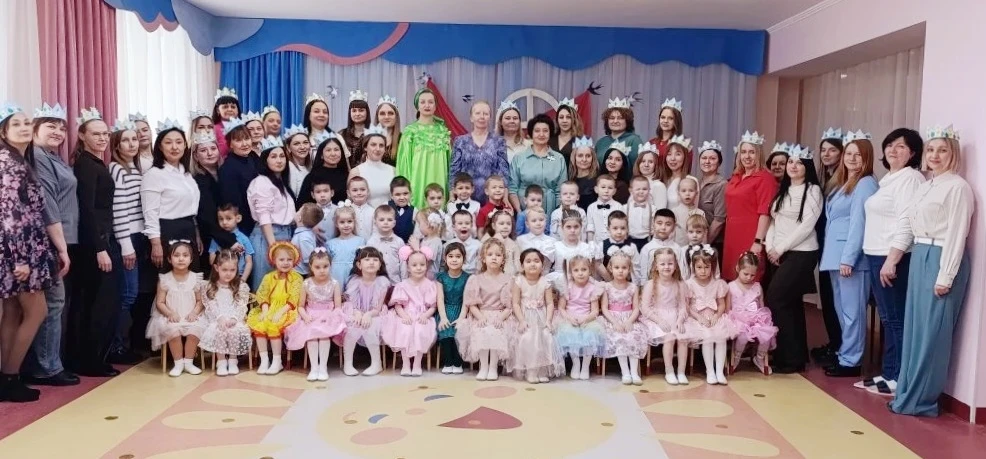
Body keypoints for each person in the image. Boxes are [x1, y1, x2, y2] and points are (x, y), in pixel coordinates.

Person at [886, 126, 973, 417]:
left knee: (932, 333)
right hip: (921, 254)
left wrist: (945, 276)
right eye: (931, 149)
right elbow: (910, 225)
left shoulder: (958, 187)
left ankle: (922, 400)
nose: (935, 155)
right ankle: (907, 393)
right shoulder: (925, 186)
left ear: (953, 153)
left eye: (943, 150)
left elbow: (957, 234)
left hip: (940, 256)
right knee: (915, 329)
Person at [0, 105, 64, 401]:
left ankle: (6, 378)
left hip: (22, 247)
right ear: (4, 132)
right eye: (16, 124)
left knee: (13, 312)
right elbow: (10, 215)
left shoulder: (21, 160)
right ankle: (10, 376)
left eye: (27, 122)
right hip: (20, 249)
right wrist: (22, 259)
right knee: (37, 311)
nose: (24, 127)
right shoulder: (9, 164)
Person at [858, 128, 924, 396]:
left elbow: (907, 222)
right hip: (876, 254)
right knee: (887, 318)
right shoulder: (889, 179)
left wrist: (892, 260)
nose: (893, 150)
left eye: (901, 146)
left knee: (895, 319)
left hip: (891, 256)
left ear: (913, 153)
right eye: (890, 145)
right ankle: (888, 373)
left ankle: (898, 377)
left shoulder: (910, 178)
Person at [25, 104, 78, 387]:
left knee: (55, 303)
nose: (58, 131)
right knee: (53, 302)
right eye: (51, 126)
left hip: (62, 237)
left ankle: (48, 361)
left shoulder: (54, 157)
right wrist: (61, 247)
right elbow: (47, 203)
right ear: (35, 128)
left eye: (61, 127)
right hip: (50, 239)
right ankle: (47, 366)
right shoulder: (37, 155)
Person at [819, 131, 878, 377]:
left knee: (853, 312)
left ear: (867, 158)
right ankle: (845, 354)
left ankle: (852, 360)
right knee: (842, 309)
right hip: (835, 255)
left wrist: (849, 258)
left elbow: (859, 224)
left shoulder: (865, 183)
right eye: (849, 153)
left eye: (858, 155)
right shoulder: (843, 182)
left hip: (850, 258)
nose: (852, 159)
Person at [68, 109, 121, 378]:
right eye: (96, 134)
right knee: (95, 303)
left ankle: (92, 358)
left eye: (105, 134)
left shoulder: (95, 163)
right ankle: (89, 360)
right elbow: (87, 210)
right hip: (93, 243)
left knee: (97, 302)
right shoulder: (86, 165)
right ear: (82, 135)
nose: (102, 138)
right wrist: (100, 248)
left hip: (100, 238)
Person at [764, 145, 822, 374]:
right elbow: (774, 221)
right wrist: (770, 247)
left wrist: (780, 248)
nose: (793, 166)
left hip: (802, 252)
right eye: (791, 162)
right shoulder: (784, 190)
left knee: (776, 298)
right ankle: (794, 357)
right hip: (780, 252)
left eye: (799, 163)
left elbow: (807, 226)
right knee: (791, 303)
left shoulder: (812, 191)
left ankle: (789, 356)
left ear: (807, 167)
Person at [108, 120, 146, 364]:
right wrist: (126, 246)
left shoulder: (135, 168)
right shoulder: (117, 169)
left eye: (134, 139)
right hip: (127, 237)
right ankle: (117, 346)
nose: (131, 144)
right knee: (127, 294)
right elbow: (119, 210)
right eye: (125, 140)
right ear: (116, 145)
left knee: (134, 293)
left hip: (139, 235)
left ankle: (127, 343)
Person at [142, 122, 201, 273]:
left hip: (188, 229)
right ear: (160, 147)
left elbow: (190, 207)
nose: (174, 147)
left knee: (191, 278)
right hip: (167, 231)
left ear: (185, 145)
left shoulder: (186, 173)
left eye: (179, 142)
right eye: (168, 143)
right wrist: (156, 244)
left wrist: (196, 234)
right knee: (169, 279)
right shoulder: (154, 175)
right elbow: (150, 213)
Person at [455, 238, 516, 381]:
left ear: (503, 259)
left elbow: (510, 305)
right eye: (490, 254)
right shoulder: (476, 279)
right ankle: (483, 367)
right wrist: (480, 317)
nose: (494, 257)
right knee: (481, 331)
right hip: (480, 314)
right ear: (483, 258)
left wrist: (501, 318)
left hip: (501, 315)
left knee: (495, 331)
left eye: (498, 255)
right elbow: (471, 304)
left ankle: (493, 367)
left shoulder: (508, 279)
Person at [284, 249, 347, 381]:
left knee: (323, 336)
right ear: (311, 267)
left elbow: (338, 306)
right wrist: (305, 316)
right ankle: (314, 368)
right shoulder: (306, 283)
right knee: (312, 336)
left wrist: (330, 317)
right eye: (317, 267)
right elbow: (300, 306)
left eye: (325, 266)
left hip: (328, 316)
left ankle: (323, 367)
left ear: (330, 265)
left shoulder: (334, 283)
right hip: (311, 315)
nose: (322, 270)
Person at [723, 131, 777, 281]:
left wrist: (758, 241)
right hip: (732, 234)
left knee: (749, 277)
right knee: (732, 277)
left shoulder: (765, 178)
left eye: (752, 152)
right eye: (743, 152)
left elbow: (765, 212)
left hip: (750, 234)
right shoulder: (736, 176)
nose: (747, 156)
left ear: (759, 154)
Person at [811, 128, 845, 364]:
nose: (826, 154)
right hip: (823, 243)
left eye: (832, 150)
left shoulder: (843, 182)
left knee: (836, 298)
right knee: (826, 295)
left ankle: (841, 346)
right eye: (823, 150)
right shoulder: (823, 180)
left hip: (835, 246)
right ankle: (834, 342)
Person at [146, 241, 204, 377]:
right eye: (176, 255)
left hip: (190, 315)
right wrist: (169, 313)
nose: (181, 258)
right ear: (169, 259)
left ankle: (188, 363)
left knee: (195, 331)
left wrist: (194, 312)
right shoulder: (165, 279)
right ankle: (178, 364)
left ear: (191, 259)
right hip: (171, 316)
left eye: (185, 255)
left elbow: (200, 301)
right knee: (173, 332)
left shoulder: (196, 278)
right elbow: (160, 302)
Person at [246, 137, 297, 288]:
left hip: (285, 234)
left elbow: (287, 213)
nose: (279, 160)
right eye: (273, 156)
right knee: (265, 285)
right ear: (265, 160)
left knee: (281, 287)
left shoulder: (281, 182)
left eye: (282, 156)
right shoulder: (262, 182)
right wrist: (273, 247)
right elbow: (264, 216)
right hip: (268, 236)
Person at [682, 245, 736, 386]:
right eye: (699, 267)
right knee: (707, 337)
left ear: (712, 266)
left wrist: (717, 316)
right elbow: (687, 306)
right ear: (693, 267)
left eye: (707, 267)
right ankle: (710, 371)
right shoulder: (689, 284)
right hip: (696, 318)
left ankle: (719, 371)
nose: (703, 271)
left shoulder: (718, 284)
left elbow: (721, 304)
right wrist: (699, 318)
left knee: (721, 337)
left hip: (713, 316)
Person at [381, 246, 439, 376]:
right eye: (414, 265)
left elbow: (433, 306)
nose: (418, 268)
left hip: (423, 315)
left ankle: (417, 364)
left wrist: (426, 315)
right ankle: (406, 364)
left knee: (419, 330)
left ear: (426, 266)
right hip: (406, 314)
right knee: (404, 330)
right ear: (408, 267)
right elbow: (398, 305)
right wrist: (403, 315)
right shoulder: (402, 285)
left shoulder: (430, 285)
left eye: (422, 265)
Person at [247, 242, 302, 375]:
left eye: (289, 259)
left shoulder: (296, 278)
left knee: (274, 325)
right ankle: (264, 360)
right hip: (270, 308)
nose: (285, 263)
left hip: (287, 309)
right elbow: (263, 295)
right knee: (260, 325)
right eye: (281, 259)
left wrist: (280, 312)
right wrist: (265, 311)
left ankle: (277, 361)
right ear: (274, 261)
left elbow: (294, 298)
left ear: (294, 261)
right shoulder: (269, 277)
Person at [508, 248, 562, 384]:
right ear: (522, 266)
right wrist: (521, 320)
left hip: (541, 317)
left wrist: (548, 320)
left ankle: (542, 371)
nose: (532, 264)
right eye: (528, 261)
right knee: (528, 339)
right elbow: (515, 303)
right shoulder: (519, 281)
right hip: (525, 317)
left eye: (536, 261)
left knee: (545, 339)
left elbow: (549, 303)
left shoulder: (545, 282)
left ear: (542, 266)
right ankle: (531, 371)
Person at [198, 250, 252, 377]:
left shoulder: (240, 287)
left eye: (232, 270)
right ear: (217, 268)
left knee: (234, 330)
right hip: (216, 318)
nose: (228, 273)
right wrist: (220, 318)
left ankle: (233, 360)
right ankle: (221, 362)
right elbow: (211, 306)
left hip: (235, 318)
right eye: (225, 270)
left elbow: (241, 305)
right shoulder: (210, 286)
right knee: (220, 330)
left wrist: (234, 318)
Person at [640, 248, 689, 385]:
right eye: (662, 264)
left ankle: (681, 372)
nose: (666, 267)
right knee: (669, 337)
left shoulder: (680, 284)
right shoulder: (651, 284)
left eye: (670, 263)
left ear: (675, 265)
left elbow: (683, 306)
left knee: (683, 338)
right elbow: (645, 308)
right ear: (656, 266)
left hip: (675, 316)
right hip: (656, 318)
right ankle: (669, 371)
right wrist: (659, 321)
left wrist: (680, 320)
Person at [396, 88, 452, 209]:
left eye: (431, 102)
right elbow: (404, 164)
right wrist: (404, 189)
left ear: (435, 106)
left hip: (440, 181)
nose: (427, 105)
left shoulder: (442, 131)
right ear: (417, 106)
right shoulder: (410, 131)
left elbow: (449, 162)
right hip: (418, 182)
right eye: (423, 102)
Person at [554, 254, 607, 381]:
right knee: (570, 334)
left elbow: (595, 311)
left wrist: (586, 319)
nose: (580, 273)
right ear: (571, 273)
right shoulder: (567, 286)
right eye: (576, 270)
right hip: (570, 318)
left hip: (587, 318)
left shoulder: (593, 288)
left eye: (584, 269)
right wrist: (569, 318)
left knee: (590, 334)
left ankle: (585, 366)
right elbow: (561, 307)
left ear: (590, 271)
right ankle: (576, 363)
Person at [191, 131, 238, 274]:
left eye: (213, 148)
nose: (209, 153)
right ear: (196, 156)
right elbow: (206, 217)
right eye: (203, 150)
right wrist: (229, 241)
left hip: (231, 230)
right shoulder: (198, 180)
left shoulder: (225, 173)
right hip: (213, 239)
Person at [600, 251, 648, 385]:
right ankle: (625, 372)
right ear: (611, 268)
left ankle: (634, 372)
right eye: (617, 267)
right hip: (612, 320)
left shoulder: (633, 287)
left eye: (624, 268)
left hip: (629, 318)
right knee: (619, 339)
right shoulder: (607, 287)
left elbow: (636, 308)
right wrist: (615, 322)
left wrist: (629, 321)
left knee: (633, 337)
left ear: (629, 269)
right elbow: (604, 308)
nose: (620, 271)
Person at [341, 247, 390, 376]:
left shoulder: (382, 282)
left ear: (380, 265)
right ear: (359, 264)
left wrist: (368, 314)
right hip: (356, 312)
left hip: (375, 314)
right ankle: (348, 363)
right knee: (352, 326)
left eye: (375, 260)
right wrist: (357, 313)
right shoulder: (354, 282)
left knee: (370, 326)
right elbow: (352, 304)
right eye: (367, 259)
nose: (371, 262)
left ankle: (376, 363)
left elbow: (377, 309)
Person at [449, 101, 508, 203]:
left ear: (490, 117)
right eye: (478, 113)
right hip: (465, 196)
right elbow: (454, 171)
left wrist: (505, 197)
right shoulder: (460, 141)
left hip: (492, 198)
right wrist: (451, 195)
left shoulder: (499, 141)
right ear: (471, 118)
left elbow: (503, 171)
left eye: (485, 114)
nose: (482, 117)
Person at [729, 253, 777, 374]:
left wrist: (759, 319)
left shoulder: (757, 287)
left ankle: (759, 358)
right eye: (746, 274)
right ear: (738, 268)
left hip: (755, 318)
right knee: (743, 336)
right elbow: (728, 307)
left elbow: (761, 306)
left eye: (752, 275)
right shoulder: (731, 286)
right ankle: (736, 357)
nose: (749, 278)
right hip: (738, 319)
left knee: (766, 334)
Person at [508, 114, 567, 213]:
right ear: (531, 133)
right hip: (524, 211)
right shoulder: (519, 158)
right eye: (537, 131)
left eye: (545, 131)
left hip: (551, 212)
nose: (541, 134)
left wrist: (557, 213)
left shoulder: (559, 158)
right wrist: (519, 211)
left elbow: (561, 190)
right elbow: (512, 189)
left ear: (550, 133)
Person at [218, 118, 259, 234]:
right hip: (244, 225)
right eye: (238, 140)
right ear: (230, 144)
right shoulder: (227, 168)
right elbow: (233, 203)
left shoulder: (253, 158)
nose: (244, 144)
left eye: (247, 138)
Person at [436, 242, 470, 374]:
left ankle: (457, 362)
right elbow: (440, 299)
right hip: (445, 310)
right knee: (445, 327)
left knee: (458, 329)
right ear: (445, 259)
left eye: (458, 256)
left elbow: (466, 301)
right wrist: (443, 317)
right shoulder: (441, 277)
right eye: (450, 256)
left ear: (464, 259)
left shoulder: (468, 278)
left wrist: (461, 318)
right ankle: (448, 361)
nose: (454, 259)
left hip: (462, 310)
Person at [296, 132, 350, 207]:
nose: (333, 154)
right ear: (321, 155)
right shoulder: (312, 177)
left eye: (336, 149)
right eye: (328, 150)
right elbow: (302, 205)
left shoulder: (347, 175)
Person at [350, 126, 396, 208]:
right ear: (365, 147)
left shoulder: (393, 170)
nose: (377, 149)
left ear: (385, 149)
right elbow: (350, 200)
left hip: (388, 214)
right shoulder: (356, 172)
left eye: (381, 145)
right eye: (373, 145)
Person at [208, 205, 254, 280]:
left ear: (238, 218)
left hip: (238, 276)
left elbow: (249, 262)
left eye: (228, 218)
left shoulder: (244, 239)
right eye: (221, 219)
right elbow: (211, 261)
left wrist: (243, 279)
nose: (224, 222)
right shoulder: (216, 239)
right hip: (219, 277)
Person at [697, 141, 727, 255]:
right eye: (704, 158)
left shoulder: (722, 185)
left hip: (712, 243)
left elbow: (719, 220)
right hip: (696, 240)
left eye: (712, 158)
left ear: (719, 162)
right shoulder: (696, 182)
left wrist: (704, 245)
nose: (707, 161)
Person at [326, 204, 365, 290]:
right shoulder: (330, 243)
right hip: (336, 276)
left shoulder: (360, 241)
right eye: (342, 222)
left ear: (354, 222)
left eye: (349, 221)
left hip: (354, 275)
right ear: (336, 224)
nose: (346, 225)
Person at [595, 98, 643, 166]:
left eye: (620, 118)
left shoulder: (634, 140)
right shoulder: (600, 142)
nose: (615, 121)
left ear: (627, 121)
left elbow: (637, 167)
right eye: (612, 118)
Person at [661, 135, 694, 208]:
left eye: (678, 154)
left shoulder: (691, 180)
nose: (672, 158)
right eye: (669, 154)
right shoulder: (663, 180)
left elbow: (693, 212)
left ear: (685, 157)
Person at [340, 90, 370, 167]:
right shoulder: (342, 135)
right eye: (354, 111)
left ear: (367, 112)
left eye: (361, 110)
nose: (357, 114)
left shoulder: (373, 134)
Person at [291, 204, 322, 277]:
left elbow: (308, 259)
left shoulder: (304, 237)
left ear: (299, 218)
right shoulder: (304, 234)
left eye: (298, 211)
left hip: (301, 274)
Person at [633, 144, 668, 209]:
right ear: (638, 164)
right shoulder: (634, 183)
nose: (646, 165)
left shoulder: (658, 186)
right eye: (643, 161)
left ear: (656, 165)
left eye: (650, 162)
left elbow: (660, 211)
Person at [550, 99, 584, 163]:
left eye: (568, 117)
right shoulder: (550, 140)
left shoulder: (581, 142)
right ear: (557, 120)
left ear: (574, 119)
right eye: (561, 117)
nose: (564, 121)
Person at [569, 138, 599, 209]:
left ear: (593, 158)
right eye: (580, 156)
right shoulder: (570, 179)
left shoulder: (597, 180)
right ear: (574, 158)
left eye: (588, 156)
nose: (584, 159)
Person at [211, 87, 241, 158]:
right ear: (218, 110)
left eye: (233, 107)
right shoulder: (214, 129)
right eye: (225, 107)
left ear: (238, 110)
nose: (230, 109)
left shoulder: (243, 127)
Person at [283, 125, 311, 197]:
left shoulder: (310, 167)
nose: (302, 147)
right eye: (296, 144)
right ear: (288, 148)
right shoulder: (289, 168)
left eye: (305, 142)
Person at [374, 96, 402, 166]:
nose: (386, 117)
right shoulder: (369, 138)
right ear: (377, 117)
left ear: (396, 116)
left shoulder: (403, 139)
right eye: (382, 113)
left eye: (390, 113)